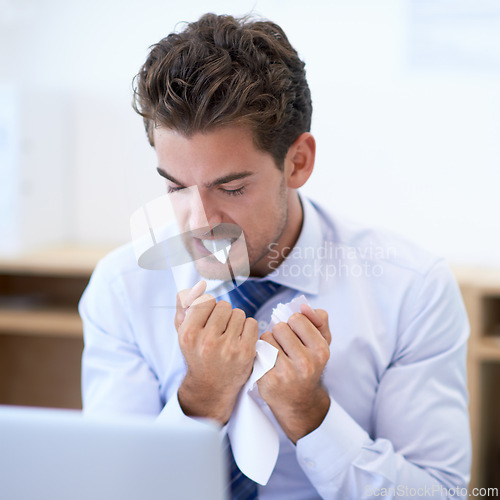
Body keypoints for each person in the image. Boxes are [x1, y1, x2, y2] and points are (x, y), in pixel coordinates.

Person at [79, 13, 471, 500]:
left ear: (298, 162)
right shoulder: (123, 288)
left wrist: (311, 415)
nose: (198, 222)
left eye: (232, 187)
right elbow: (109, 490)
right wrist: (202, 399)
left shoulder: (411, 290)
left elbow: (443, 496)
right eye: (176, 186)